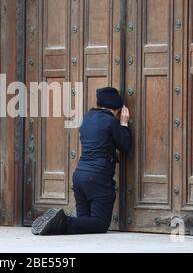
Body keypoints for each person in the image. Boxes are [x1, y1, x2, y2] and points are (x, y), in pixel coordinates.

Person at [31, 87, 132, 236]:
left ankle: (54, 225)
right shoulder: (110, 121)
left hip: (79, 177)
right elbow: (125, 145)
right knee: (99, 223)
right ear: (117, 109)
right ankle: (62, 221)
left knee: (84, 224)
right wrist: (124, 124)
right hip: (98, 179)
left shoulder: (87, 118)